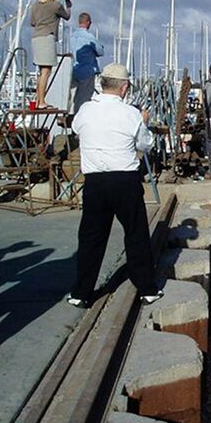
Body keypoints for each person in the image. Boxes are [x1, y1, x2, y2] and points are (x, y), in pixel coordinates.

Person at [67, 63, 163, 307]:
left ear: (102, 84)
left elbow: (76, 128)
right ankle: (147, 289)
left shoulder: (86, 110)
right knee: (136, 234)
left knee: (91, 237)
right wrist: (143, 121)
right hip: (125, 180)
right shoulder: (130, 113)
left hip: (95, 181)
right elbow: (146, 144)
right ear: (124, 87)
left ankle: (81, 293)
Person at [30, 0, 71, 109]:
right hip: (47, 38)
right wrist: (68, 6)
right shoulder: (56, 6)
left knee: (42, 71)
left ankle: (39, 100)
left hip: (36, 38)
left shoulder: (35, 5)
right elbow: (67, 16)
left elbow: (33, 22)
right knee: (46, 71)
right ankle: (41, 102)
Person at [70, 12, 105, 113]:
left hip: (74, 69)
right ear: (88, 22)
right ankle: (80, 117)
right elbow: (100, 52)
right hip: (87, 71)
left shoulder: (72, 36)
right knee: (84, 98)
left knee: (73, 97)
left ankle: (70, 117)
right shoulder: (89, 37)